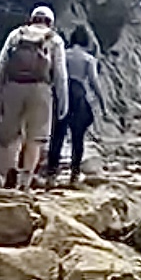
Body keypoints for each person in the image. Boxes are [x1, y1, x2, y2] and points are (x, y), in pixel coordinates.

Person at [0, 6, 67, 190]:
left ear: (32, 18)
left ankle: (9, 173)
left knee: (11, 136)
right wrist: (63, 103)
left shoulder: (16, 35)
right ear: (50, 22)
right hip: (41, 90)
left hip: (13, 87)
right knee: (35, 138)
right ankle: (24, 182)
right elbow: (60, 75)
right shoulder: (54, 39)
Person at [46, 25, 103, 187]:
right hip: (78, 96)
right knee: (78, 138)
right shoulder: (88, 59)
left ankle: (51, 174)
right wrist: (102, 102)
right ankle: (74, 173)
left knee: (57, 135)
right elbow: (94, 82)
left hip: (61, 94)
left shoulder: (63, 55)